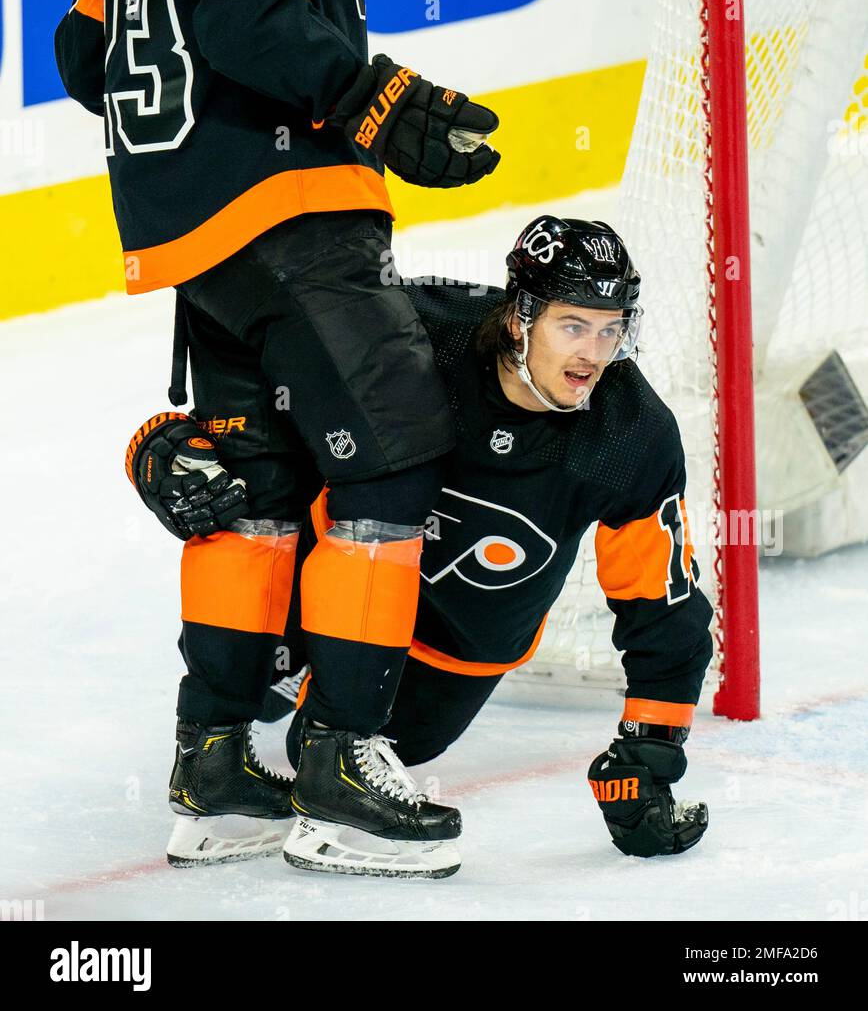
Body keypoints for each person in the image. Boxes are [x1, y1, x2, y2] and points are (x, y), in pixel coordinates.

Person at [55, 0, 500, 879]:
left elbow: (84, 54)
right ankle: (340, 763)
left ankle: (213, 766)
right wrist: (385, 103)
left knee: (247, 480)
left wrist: (187, 143)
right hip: (287, 211)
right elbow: (250, 17)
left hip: (190, 228)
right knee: (395, 446)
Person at [130, 216, 713, 877]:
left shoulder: (631, 434)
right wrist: (164, 445)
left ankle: (319, 740)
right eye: (573, 326)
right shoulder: (418, 329)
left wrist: (648, 758)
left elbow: (664, 606)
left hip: (454, 657)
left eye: (612, 330)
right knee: (257, 667)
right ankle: (220, 761)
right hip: (332, 587)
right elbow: (270, 347)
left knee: (312, 748)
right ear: (520, 317)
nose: (594, 356)